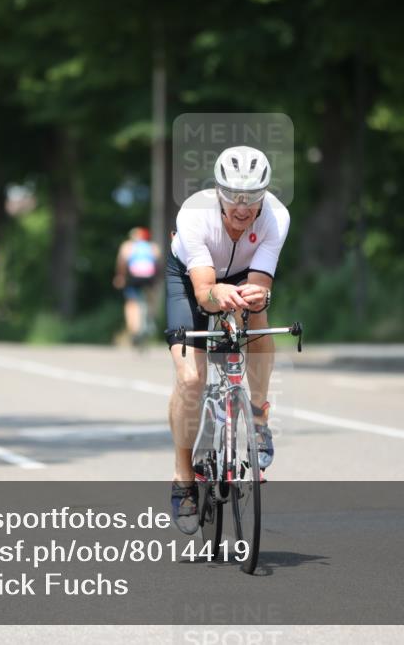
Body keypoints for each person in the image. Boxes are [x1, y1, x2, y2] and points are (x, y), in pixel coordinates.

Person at [164, 145, 290, 534]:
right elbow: (204, 293)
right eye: (234, 196)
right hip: (190, 281)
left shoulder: (276, 217)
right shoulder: (194, 214)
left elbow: (261, 283)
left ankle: (257, 413)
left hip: (240, 277)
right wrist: (219, 296)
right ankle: (184, 480)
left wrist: (256, 297)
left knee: (258, 316)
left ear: (264, 195)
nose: (242, 207)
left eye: (253, 197)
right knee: (191, 380)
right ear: (218, 192)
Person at [113, 227, 160, 345]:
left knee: (131, 303)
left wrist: (120, 277)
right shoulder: (153, 247)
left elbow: (122, 263)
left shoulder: (128, 246)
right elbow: (158, 264)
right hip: (150, 279)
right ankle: (150, 319)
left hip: (134, 278)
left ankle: (133, 329)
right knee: (151, 299)